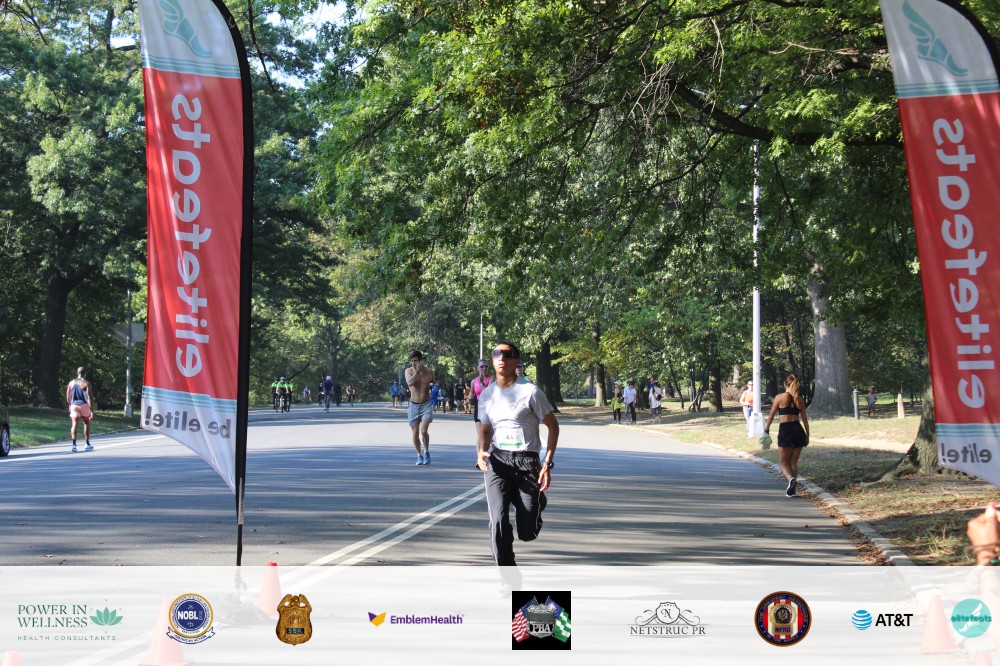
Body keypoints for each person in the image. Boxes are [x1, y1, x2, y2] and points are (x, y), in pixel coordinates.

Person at [476, 342, 559, 567]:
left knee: (527, 532)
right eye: (497, 354)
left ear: (517, 361)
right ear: (492, 361)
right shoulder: (487, 395)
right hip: (498, 461)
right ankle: (508, 576)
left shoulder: (530, 391)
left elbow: (553, 426)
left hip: (527, 462)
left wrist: (547, 463)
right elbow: (485, 429)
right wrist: (481, 451)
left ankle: (535, 503)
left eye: (507, 354)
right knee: (497, 520)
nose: (501, 358)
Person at [764, 373, 810, 497]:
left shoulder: (779, 397)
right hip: (798, 430)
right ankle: (792, 491)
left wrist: (766, 430)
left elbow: (771, 416)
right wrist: (807, 435)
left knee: (783, 462)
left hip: (785, 430)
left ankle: (790, 479)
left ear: (785, 384)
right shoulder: (799, 399)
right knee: (793, 462)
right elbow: (805, 419)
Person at [405, 350, 434, 465]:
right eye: (412, 361)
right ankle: (419, 455)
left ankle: (426, 452)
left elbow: (432, 382)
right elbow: (409, 383)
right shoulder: (409, 371)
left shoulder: (429, 371)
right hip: (413, 405)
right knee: (415, 432)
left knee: (424, 431)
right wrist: (417, 371)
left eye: (416, 361)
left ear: (421, 361)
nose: (413, 363)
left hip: (426, 404)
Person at [66, 367, 94, 453]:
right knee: (86, 423)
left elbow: (68, 397)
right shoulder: (86, 383)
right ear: (85, 374)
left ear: (77, 373)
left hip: (74, 405)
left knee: (74, 424)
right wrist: (92, 410)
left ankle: (74, 445)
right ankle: (87, 444)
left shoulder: (71, 383)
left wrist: (70, 405)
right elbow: (89, 397)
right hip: (84, 405)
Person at [470, 359, 493, 430]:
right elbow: (472, 392)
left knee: (486, 432)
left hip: (488, 406)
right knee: (479, 432)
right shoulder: (474, 381)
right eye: (482, 366)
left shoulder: (491, 378)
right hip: (478, 405)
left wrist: (481, 383)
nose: (484, 368)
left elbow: (488, 392)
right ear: (478, 368)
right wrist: (469, 399)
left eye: (486, 366)